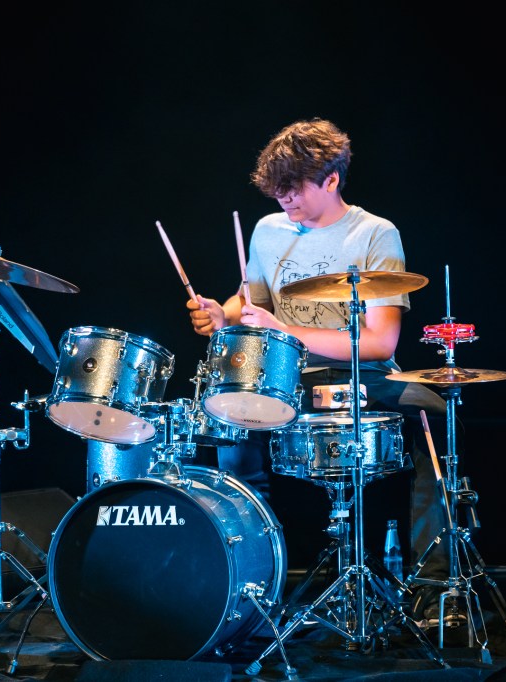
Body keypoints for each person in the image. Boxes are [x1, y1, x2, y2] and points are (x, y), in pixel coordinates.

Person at [185, 117, 457, 624]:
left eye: (293, 188)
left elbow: (379, 342)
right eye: (277, 190)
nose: (284, 199)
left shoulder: (374, 233)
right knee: (229, 425)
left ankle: (435, 583)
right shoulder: (268, 230)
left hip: (362, 376)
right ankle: (250, 586)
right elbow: (252, 301)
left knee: (433, 416)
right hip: (287, 376)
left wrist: (284, 330)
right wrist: (223, 314)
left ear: (331, 179)